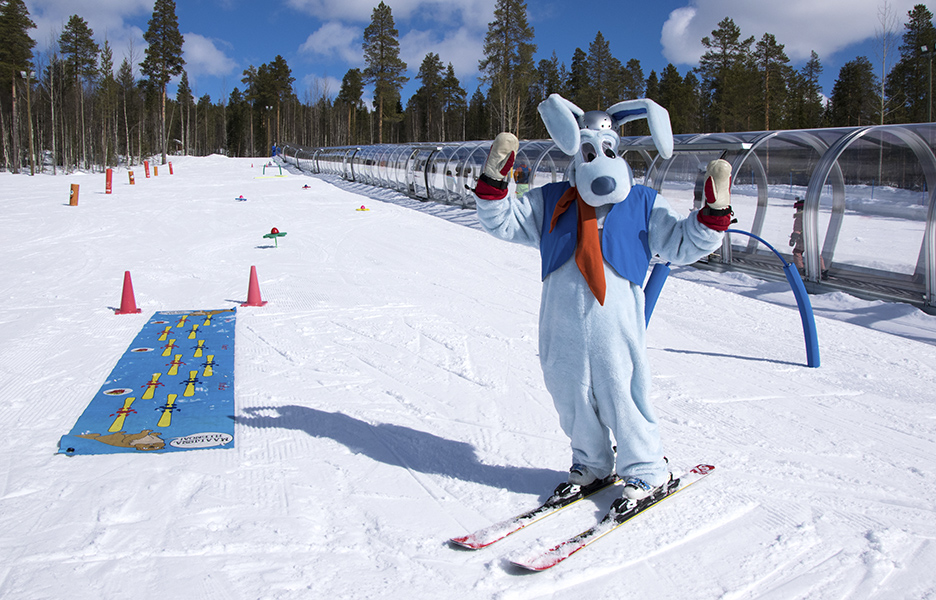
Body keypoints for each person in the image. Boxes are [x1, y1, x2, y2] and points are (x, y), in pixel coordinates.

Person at [473, 94, 732, 502]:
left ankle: (647, 467)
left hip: (617, 328)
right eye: (589, 149)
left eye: (606, 149)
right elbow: (504, 222)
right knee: (569, 393)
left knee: (622, 391)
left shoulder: (642, 203)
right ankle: (591, 463)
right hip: (560, 327)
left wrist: (712, 215)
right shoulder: (552, 200)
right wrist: (494, 183)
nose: (600, 157)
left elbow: (682, 243)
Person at [790, 198, 828, 278]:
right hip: (812, 237)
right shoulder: (810, 216)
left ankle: (800, 268)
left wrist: (793, 238)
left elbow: (797, 229)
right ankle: (822, 269)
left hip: (802, 238)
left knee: (797, 252)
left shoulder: (800, 216)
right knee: (815, 253)